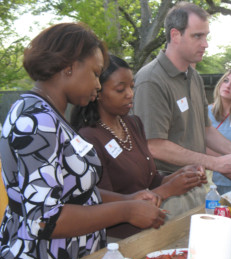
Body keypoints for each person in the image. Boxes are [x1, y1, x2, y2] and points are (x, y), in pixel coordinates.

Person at [0, 23, 165, 259]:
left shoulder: (52, 116)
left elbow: (73, 192)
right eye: (95, 74)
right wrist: (125, 210)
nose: (98, 85)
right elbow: (44, 219)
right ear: (69, 67)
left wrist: (128, 198)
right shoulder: (36, 119)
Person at [133, 2, 231, 216]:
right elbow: (155, 146)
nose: (205, 44)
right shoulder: (151, 80)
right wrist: (214, 162)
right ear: (175, 35)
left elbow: (205, 130)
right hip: (168, 194)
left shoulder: (194, 77)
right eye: (198, 36)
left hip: (197, 188)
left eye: (206, 36)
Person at [71, 54, 206, 239]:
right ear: (98, 93)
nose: (130, 94)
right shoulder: (89, 137)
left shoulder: (133, 124)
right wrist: (167, 190)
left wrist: (181, 176)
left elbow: (149, 180)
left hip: (155, 227)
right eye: (120, 89)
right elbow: (102, 203)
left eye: (132, 87)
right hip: (122, 239)